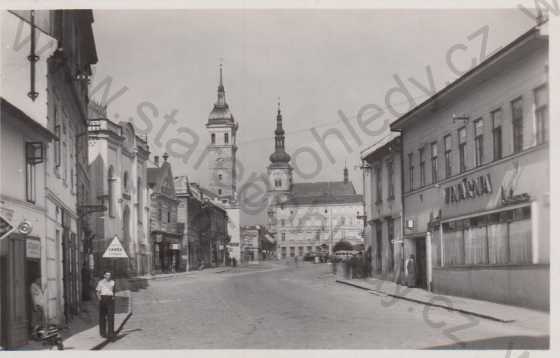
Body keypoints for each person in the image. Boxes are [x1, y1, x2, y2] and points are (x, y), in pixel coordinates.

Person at [96, 271, 116, 338]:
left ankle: (111, 333)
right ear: (104, 275)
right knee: (102, 317)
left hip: (110, 299)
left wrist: (113, 297)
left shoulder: (112, 282)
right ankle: (103, 333)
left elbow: (113, 291)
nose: (109, 276)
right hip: (103, 299)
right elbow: (98, 292)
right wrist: (100, 299)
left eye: (110, 275)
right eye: (107, 275)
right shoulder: (101, 282)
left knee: (111, 317)